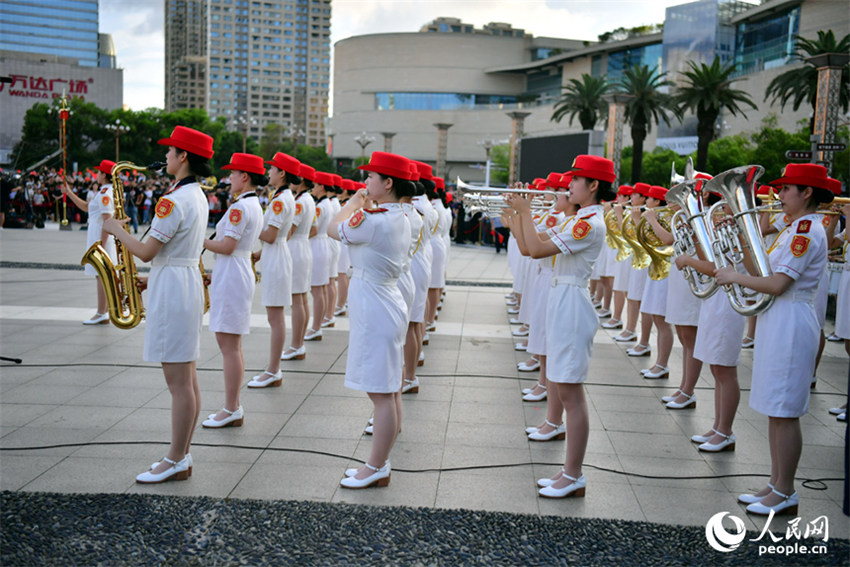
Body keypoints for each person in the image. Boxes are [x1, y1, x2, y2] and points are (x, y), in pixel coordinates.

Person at [716, 163, 839, 515]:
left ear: (807, 193)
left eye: (787, 189)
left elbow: (777, 284)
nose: (779, 195)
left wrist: (733, 277)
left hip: (791, 320)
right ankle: (775, 483)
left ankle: (785, 491)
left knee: (785, 411)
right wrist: (741, 238)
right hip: (778, 318)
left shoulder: (806, 231)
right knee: (775, 408)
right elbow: (763, 272)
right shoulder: (792, 228)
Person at [101, 126, 213, 483]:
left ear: (183, 157)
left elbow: (147, 251)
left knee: (179, 382)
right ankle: (182, 454)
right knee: (187, 377)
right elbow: (176, 252)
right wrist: (155, 278)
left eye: (170, 151)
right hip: (182, 282)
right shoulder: (196, 194)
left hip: (176, 289)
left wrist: (116, 230)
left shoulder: (174, 200)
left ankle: (176, 458)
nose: (165, 157)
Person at [506, 154, 616, 499]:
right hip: (561, 300)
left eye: (574, 180)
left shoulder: (588, 223)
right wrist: (515, 218)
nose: (567, 186)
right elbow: (528, 247)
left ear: (593, 185)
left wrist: (524, 212)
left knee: (571, 394)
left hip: (571, 303)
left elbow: (536, 250)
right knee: (562, 384)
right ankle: (569, 471)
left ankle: (574, 475)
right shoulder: (579, 219)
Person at [330, 151, 412, 488]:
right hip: (382, 301)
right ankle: (380, 461)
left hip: (377, 304)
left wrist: (352, 202)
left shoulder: (374, 220)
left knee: (381, 390)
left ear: (388, 183)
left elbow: (332, 228)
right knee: (387, 388)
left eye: (370, 177)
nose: (365, 183)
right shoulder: (397, 216)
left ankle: (377, 466)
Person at [202, 153, 265, 428]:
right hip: (234, 270)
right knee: (231, 345)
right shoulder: (250, 204)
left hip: (233, 270)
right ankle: (232, 406)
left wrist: (198, 240)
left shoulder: (241, 207)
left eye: (233, 173)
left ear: (245, 177)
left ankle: (231, 408)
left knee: (228, 346)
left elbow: (227, 245)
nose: (229, 178)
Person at [247, 152, 300, 388]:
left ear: (282, 174)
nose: (268, 173)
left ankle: (273, 370)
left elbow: (270, 235)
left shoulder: (280, 200)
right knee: (274, 316)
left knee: (275, 317)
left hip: (277, 256)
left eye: (272, 169)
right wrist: (260, 254)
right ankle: (273, 368)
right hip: (276, 254)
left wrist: (251, 225)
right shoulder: (281, 197)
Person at [61, 159, 117, 325]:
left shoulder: (106, 194)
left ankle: (101, 312)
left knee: (101, 276)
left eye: (99, 172)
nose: (97, 175)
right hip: (98, 235)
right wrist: (69, 193)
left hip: (101, 237)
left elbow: (107, 221)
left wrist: (101, 245)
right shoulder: (103, 192)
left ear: (105, 176)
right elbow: (86, 207)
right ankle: (103, 312)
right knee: (101, 276)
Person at [281, 164, 317, 360]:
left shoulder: (300, 202)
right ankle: (299, 343)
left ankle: (296, 345)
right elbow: (314, 229)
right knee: (301, 299)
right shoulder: (308, 200)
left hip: (295, 248)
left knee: (297, 300)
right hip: (304, 246)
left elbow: (289, 232)